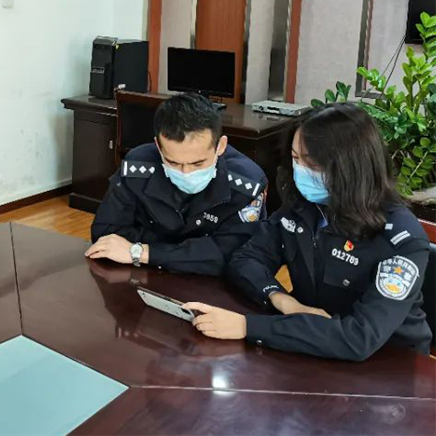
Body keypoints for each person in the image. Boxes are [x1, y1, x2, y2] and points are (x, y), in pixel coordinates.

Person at [185, 103, 433, 361]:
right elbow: (246, 259)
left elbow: (360, 337)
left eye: (312, 164)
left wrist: (248, 327)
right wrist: (283, 300)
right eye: (295, 158)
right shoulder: (305, 207)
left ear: (351, 168)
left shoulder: (400, 237)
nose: (300, 171)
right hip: (310, 345)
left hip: (389, 364)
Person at [86, 93, 268, 275]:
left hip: (212, 285)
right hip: (143, 274)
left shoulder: (246, 184)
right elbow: (106, 235)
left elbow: (234, 256)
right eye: (173, 162)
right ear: (158, 146)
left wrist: (142, 251)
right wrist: (196, 251)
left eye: (198, 163)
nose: (186, 172)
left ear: (220, 146)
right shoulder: (137, 166)